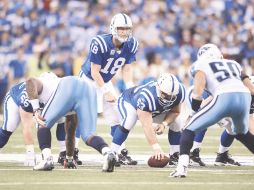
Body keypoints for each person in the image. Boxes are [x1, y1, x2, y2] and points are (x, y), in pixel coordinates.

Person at [170, 43, 254, 178]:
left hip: (223, 96)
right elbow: (251, 88)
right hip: (244, 97)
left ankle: (181, 168)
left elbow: (198, 92)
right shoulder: (233, 64)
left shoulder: (200, 65)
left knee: (188, 129)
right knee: (241, 133)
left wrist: (193, 113)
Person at [78, 13, 138, 165]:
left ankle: (119, 152)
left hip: (105, 80)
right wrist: (106, 91)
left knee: (116, 117)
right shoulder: (100, 42)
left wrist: (129, 87)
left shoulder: (132, 44)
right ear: (113, 28)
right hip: (87, 81)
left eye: (127, 29)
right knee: (80, 117)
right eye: (121, 28)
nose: (124, 32)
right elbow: (94, 71)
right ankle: (71, 152)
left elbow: (126, 68)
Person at [31, 75, 116, 172]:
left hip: (68, 85)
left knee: (41, 123)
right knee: (88, 135)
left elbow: (31, 81)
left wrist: (36, 109)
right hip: (89, 89)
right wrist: (69, 159)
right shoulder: (67, 104)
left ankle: (46, 159)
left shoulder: (45, 82)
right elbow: (70, 132)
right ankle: (107, 153)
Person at [110, 73, 186, 161]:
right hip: (129, 102)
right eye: (166, 95)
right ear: (158, 88)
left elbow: (175, 112)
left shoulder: (180, 92)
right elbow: (147, 125)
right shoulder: (147, 97)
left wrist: (163, 124)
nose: (169, 98)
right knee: (130, 120)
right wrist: (156, 148)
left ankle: (175, 154)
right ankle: (112, 153)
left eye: (172, 96)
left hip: (153, 109)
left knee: (177, 121)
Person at [0, 72, 66, 167]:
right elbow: (27, 126)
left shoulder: (57, 91)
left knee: (62, 119)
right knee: (9, 127)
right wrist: (30, 153)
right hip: (14, 99)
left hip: (38, 101)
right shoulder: (29, 95)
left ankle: (63, 151)